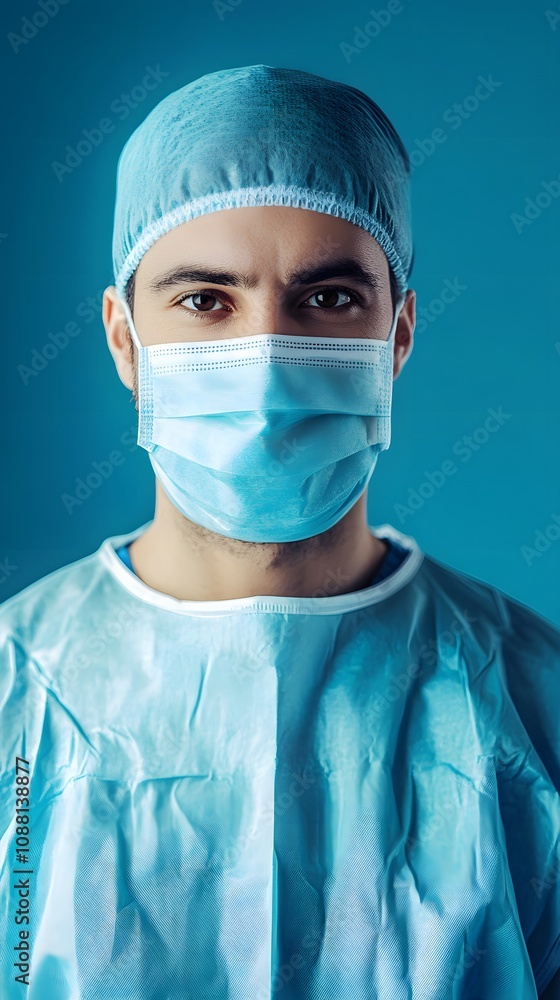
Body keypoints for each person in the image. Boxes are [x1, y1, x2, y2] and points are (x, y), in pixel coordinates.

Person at [1, 63, 559, 999]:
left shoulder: (530, 706)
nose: (263, 358)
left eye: (329, 299)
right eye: (205, 301)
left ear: (400, 336)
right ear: (122, 339)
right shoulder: (19, 692)